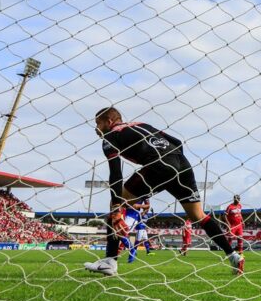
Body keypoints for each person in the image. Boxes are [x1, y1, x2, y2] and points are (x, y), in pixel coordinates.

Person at [85, 107, 243, 277]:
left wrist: (117, 209)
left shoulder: (111, 136)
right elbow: (177, 142)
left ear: (109, 122)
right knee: (198, 215)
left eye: (98, 123)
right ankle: (233, 256)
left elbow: (115, 173)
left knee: (116, 203)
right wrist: (172, 171)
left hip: (157, 165)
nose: (97, 128)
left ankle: (110, 261)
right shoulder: (141, 124)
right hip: (182, 164)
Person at [225, 195, 245, 272]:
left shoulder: (240, 206)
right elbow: (225, 215)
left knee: (240, 239)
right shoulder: (230, 206)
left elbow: (240, 214)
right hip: (232, 226)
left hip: (239, 225)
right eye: (237, 198)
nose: (238, 200)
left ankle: (241, 253)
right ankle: (228, 254)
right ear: (234, 199)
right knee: (229, 239)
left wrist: (242, 221)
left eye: (239, 198)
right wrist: (228, 224)